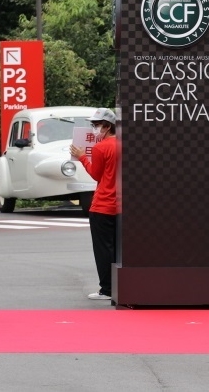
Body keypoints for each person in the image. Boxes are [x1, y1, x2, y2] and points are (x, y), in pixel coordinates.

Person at [70, 108, 119, 301]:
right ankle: (118, 286)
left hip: (103, 205)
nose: (94, 129)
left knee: (103, 250)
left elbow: (96, 175)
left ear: (107, 127)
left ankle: (107, 289)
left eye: (97, 125)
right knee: (117, 249)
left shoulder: (101, 148)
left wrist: (82, 156)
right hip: (121, 206)